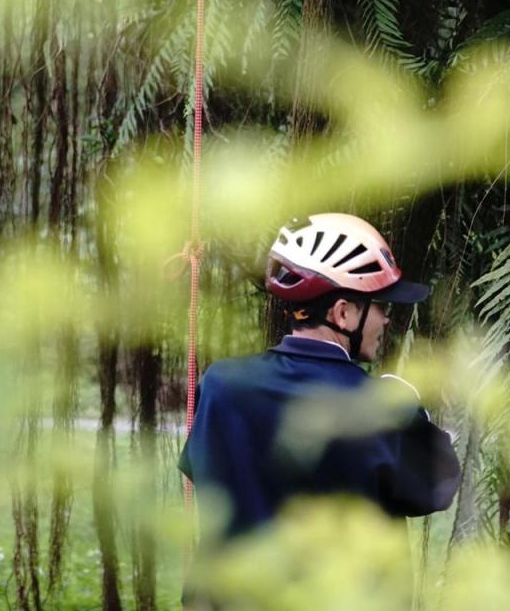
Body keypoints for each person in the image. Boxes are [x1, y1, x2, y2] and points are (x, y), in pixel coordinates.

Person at [179, 212, 461, 547]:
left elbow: (204, 471)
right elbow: (437, 486)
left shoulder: (221, 385)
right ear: (342, 312)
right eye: (380, 307)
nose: (386, 320)